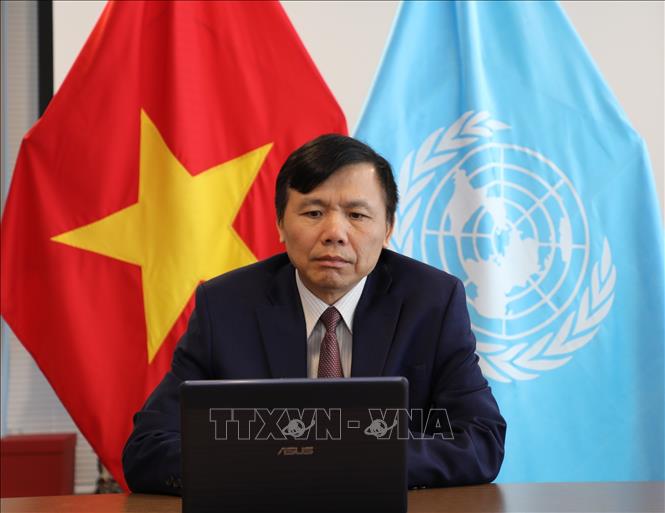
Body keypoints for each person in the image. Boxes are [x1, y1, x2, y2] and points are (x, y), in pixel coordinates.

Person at [122, 134, 506, 494]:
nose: (334, 232)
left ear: (388, 228)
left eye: (357, 215)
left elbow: (480, 440)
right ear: (280, 224)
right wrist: (279, 464)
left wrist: (349, 462)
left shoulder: (432, 302)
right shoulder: (226, 307)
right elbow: (149, 447)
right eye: (313, 212)